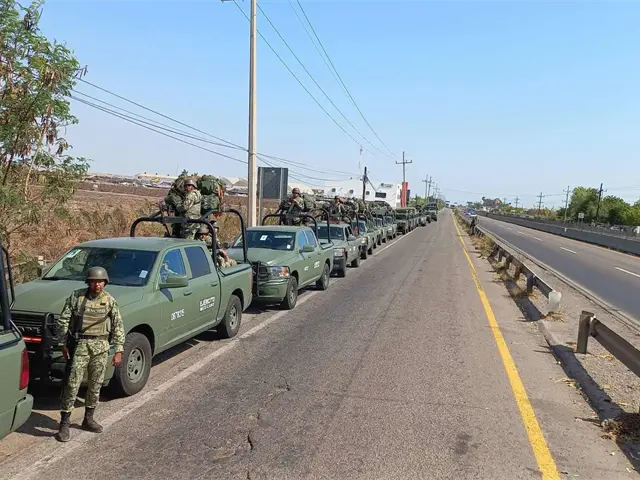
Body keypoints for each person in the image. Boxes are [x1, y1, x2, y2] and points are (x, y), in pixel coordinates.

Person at [53, 266, 125, 443]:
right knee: (72, 384)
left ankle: (88, 419)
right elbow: (64, 320)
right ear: (88, 282)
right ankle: (64, 423)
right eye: (94, 281)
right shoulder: (77, 297)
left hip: (101, 347)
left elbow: (118, 325)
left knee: (96, 384)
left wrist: (119, 349)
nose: (97, 285)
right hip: (80, 346)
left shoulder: (109, 300)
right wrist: (62, 343)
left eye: (101, 282)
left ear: (105, 282)